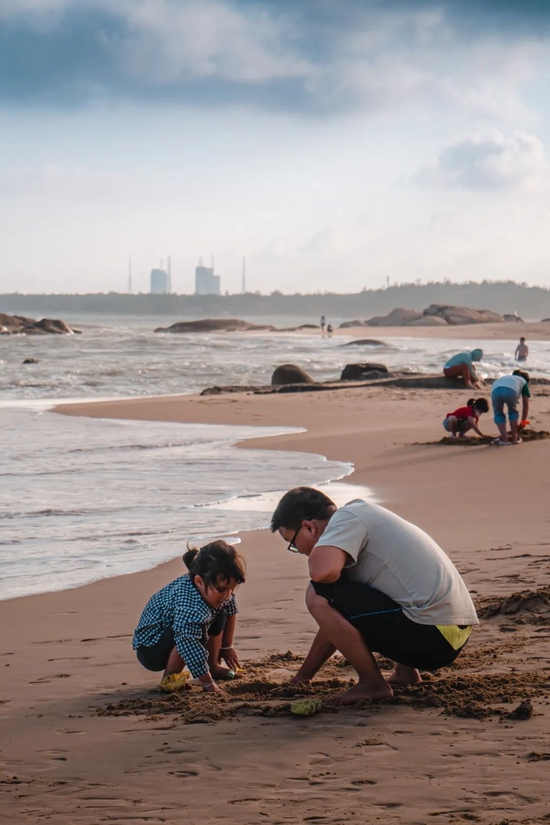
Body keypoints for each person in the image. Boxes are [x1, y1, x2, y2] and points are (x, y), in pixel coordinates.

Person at [270, 488, 478, 706]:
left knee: (317, 592)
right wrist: (304, 676)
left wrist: (317, 553)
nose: (298, 550)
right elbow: (336, 621)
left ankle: (372, 683)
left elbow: (322, 573)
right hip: (451, 630)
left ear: (308, 527)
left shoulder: (345, 520)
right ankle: (406, 673)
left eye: (292, 543)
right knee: (358, 591)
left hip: (433, 636)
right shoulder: (361, 514)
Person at [132, 540, 245, 693]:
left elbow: (230, 609)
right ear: (199, 581)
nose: (228, 594)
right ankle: (169, 678)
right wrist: (208, 683)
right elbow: (187, 642)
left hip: (177, 633)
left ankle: (212, 666)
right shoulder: (189, 603)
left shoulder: (217, 592)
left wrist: (226, 647)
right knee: (192, 631)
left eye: (231, 589)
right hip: (151, 648)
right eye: (223, 590)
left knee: (220, 610)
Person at [491, 369, 530, 446]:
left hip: (495, 389)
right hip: (510, 390)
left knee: (498, 413)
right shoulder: (523, 381)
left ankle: (504, 440)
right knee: (513, 412)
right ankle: (515, 438)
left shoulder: (508, 377)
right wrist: (523, 422)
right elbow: (525, 405)